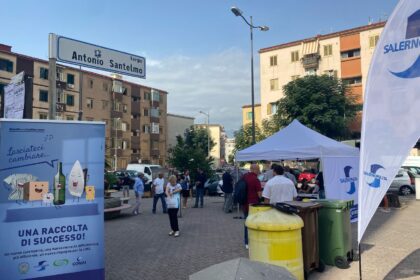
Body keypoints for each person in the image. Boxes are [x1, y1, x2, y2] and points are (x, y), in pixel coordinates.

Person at [243, 164, 262, 249]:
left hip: (244, 203)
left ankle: (246, 242)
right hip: (253, 204)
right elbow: (259, 194)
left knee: (247, 222)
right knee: (255, 223)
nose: (259, 171)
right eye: (258, 170)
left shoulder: (244, 177)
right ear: (255, 170)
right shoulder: (255, 179)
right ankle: (254, 241)